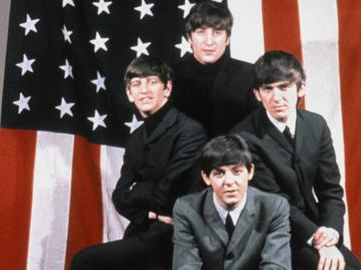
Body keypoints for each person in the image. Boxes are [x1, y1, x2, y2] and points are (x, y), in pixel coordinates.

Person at [70, 56, 207, 270]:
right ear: (129, 93)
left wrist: (138, 190)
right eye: (136, 84)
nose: (144, 90)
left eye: (152, 82)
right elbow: (120, 196)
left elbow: (168, 194)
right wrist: (150, 213)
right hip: (144, 228)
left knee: (85, 261)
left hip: (174, 235)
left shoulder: (189, 131)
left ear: (167, 88)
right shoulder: (136, 138)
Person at [231, 51, 361, 270]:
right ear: (257, 94)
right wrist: (317, 240)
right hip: (270, 232)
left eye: (284, 87)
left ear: (300, 88)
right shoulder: (244, 137)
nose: (276, 98)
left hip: (315, 228)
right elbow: (275, 202)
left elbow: (330, 190)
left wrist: (331, 231)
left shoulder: (316, 125)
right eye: (268, 89)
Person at [172, 134, 291, 270]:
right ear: (206, 177)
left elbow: (276, 266)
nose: (229, 182)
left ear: (250, 172)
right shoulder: (187, 209)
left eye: (236, 171)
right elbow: (186, 266)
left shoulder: (274, 207)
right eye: (219, 173)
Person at [171, 0, 258, 138]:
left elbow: (259, 129)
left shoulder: (250, 75)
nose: (209, 41)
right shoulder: (171, 76)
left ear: (228, 38)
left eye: (217, 32)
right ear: (189, 38)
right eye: (201, 32)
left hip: (236, 156)